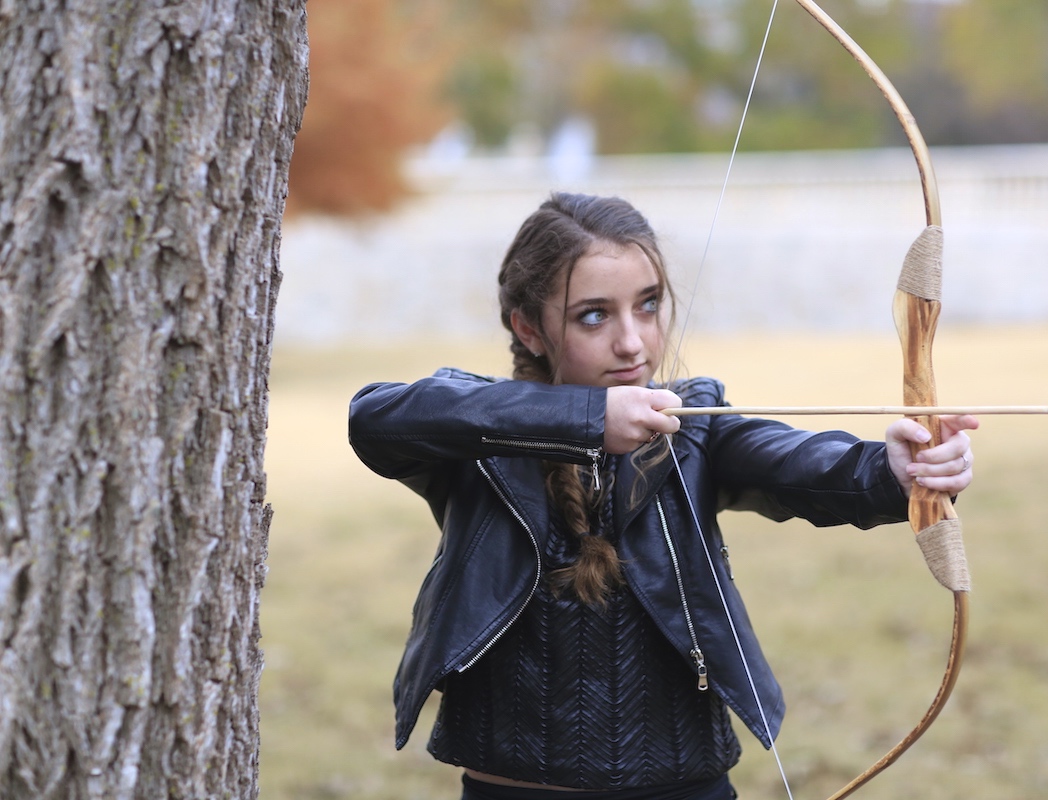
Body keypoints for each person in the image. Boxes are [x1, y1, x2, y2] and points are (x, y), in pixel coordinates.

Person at [348, 193, 978, 800]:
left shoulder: (691, 424)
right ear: (529, 328)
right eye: (593, 315)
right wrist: (585, 418)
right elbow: (374, 419)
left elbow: (797, 462)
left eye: (647, 306)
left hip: (684, 783)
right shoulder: (479, 432)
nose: (634, 343)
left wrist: (891, 470)